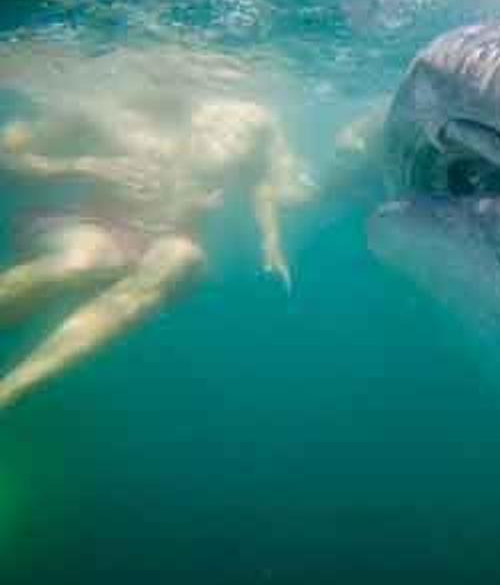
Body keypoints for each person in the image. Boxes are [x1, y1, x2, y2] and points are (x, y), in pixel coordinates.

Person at [0, 45, 314, 409]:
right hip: (94, 222)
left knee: (181, 259)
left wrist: (270, 238)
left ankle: (10, 392)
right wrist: (82, 165)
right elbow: (9, 153)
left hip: (172, 235)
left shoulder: (246, 120)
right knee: (83, 260)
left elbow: (258, 174)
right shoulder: (98, 105)